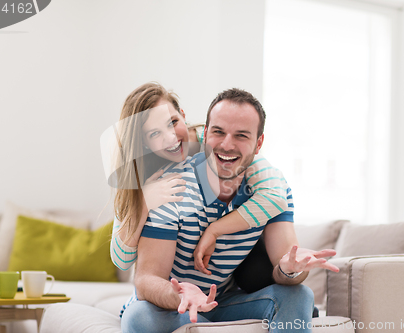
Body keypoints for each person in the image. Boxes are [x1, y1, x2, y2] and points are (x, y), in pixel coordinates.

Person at [119, 88, 339, 333]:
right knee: (139, 317)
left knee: (299, 295)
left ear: (259, 144)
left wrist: (290, 269)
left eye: (241, 136)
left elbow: (285, 270)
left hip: (223, 302)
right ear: (205, 133)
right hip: (174, 306)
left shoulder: (272, 192)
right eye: (218, 132)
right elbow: (146, 279)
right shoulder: (171, 188)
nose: (227, 144)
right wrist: (180, 295)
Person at [109, 83, 289, 276]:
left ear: (183, 116)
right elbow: (122, 260)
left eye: (172, 122)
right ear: (144, 143)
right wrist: (143, 203)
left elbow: (276, 197)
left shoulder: (217, 142)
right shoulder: (140, 174)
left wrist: (215, 230)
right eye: (154, 133)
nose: (170, 138)